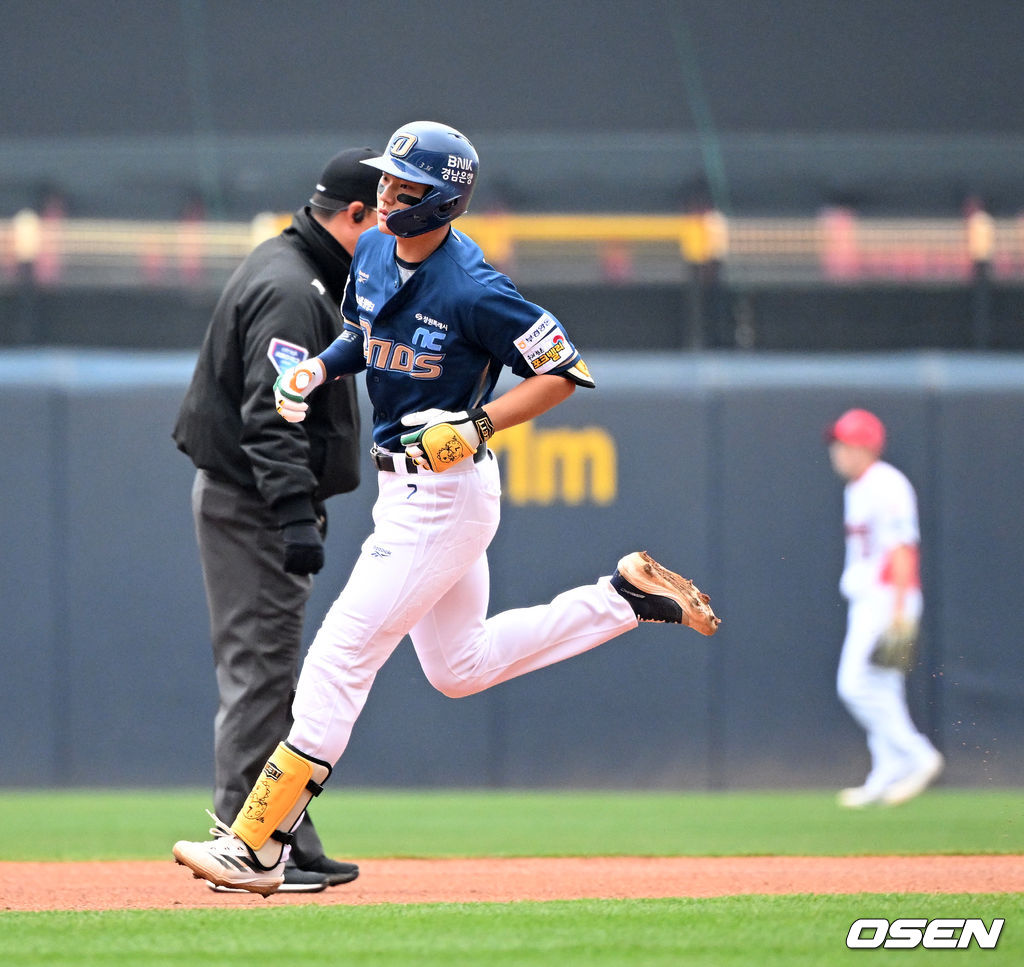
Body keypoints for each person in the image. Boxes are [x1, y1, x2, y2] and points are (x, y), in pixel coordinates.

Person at [173, 121, 721, 896]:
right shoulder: (372, 250)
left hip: (444, 493)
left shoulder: (472, 285)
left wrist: (479, 423)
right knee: (459, 667)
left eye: (406, 187)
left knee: (337, 658)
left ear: (443, 200)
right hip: (405, 491)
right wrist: (319, 370)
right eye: (385, 180)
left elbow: (565, 369)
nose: (386, 195)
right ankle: (624, 598)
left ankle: (260, 844)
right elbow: (364, 335)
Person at [172, 148, 381, 891]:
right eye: (387, 215)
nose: (395, 232)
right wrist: (293, 513)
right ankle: (246, 839)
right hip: (255, 505)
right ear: (354, 214)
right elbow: (272, 413)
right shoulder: (294, 288)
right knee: (260, 676)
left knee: (272, 677)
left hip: (251, 498)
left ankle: (287, 830)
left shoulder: (300, 268)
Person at [826, 408, 944, 808]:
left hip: (887, 597)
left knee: (854, 685)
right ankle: (885, 774)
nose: (837, 451)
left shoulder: (887, 484)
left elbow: (902, 548)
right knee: (883, 689)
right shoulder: (857, 488)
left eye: (844, 444)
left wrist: (899, 609)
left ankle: (917, 755)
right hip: (871, 597)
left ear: (865, 447)